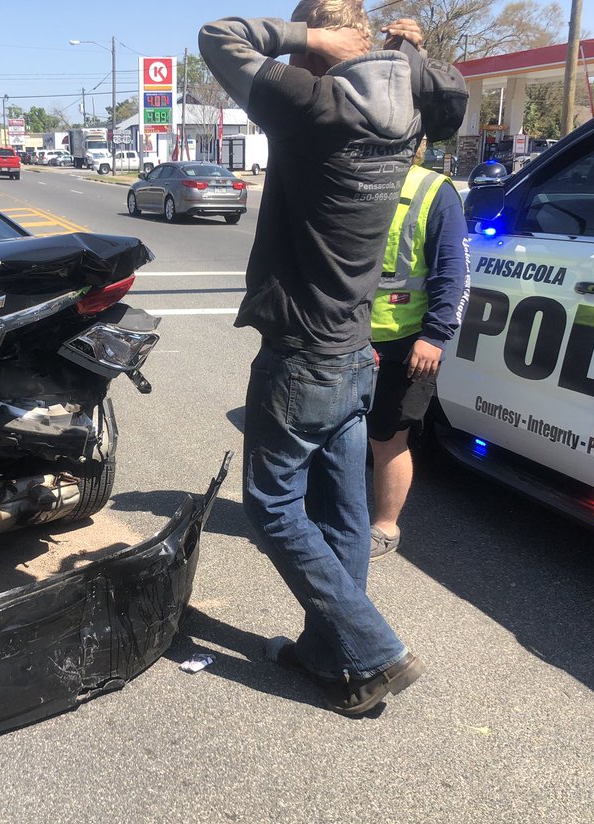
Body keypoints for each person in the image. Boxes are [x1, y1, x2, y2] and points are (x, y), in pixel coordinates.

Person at [198, 3, 466, 716]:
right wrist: (408, 53)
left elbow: (218, 37)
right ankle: (329, 654)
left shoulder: (312, 105)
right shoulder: (409, 114)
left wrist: (311, 39)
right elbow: (451, 94)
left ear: (325, 46)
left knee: (272, 505)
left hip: (303, 354)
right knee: (344, 513)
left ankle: (374, 649)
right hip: (353, 350)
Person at [368, 145, 470, 558]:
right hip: (346, 335)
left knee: (390, 438)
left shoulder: (434, 190)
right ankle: (329, 518)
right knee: (334, 433)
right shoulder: (357, 179)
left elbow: (453, 272)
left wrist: (435, 335)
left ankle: (384, 527)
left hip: (406, 341)